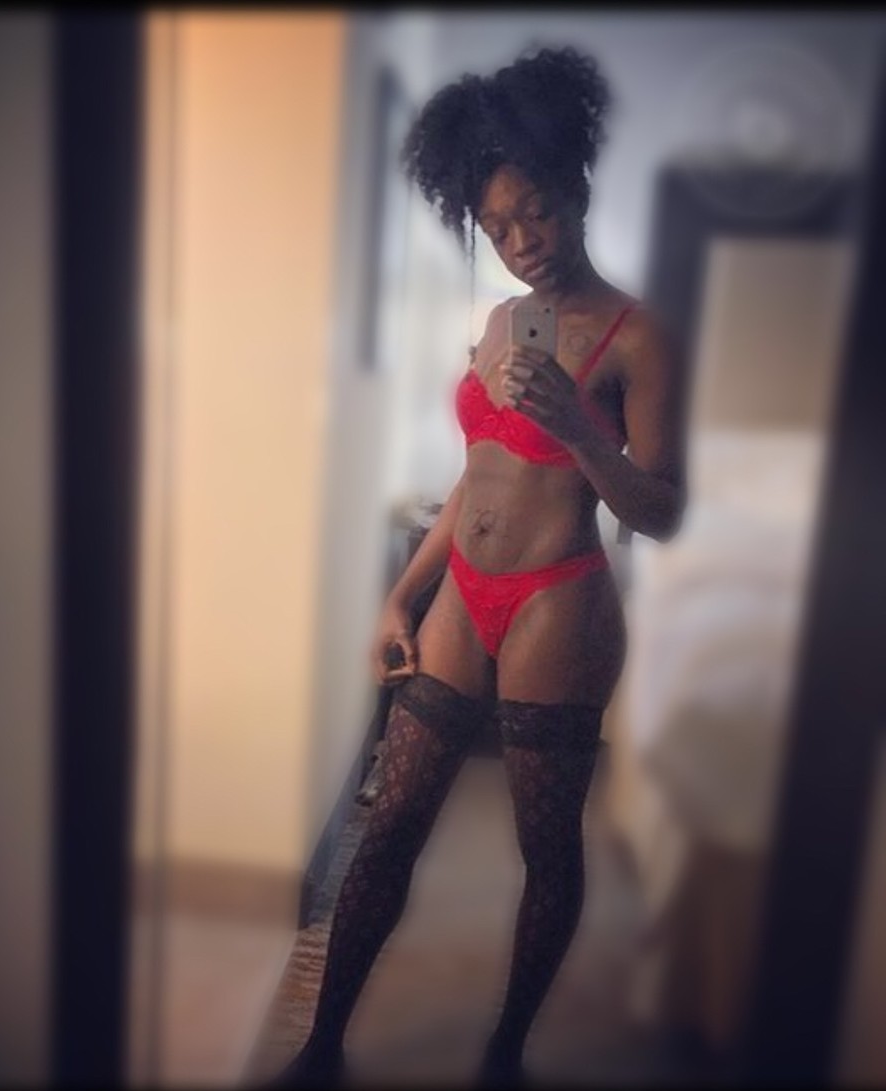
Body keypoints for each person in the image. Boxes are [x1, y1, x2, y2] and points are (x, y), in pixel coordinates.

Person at [261, 43, 686, 1089]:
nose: (521, 242)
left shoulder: (639, 337)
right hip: (463, 591)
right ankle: (321, 1048)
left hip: (559, 600)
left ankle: (504, 1054)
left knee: (547, 846)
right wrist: (401, 596)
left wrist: (581, 429)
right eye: (497, 226)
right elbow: (477, 478)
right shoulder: (501, 322)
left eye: (535, 211)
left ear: (575, 187)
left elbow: (663, 510)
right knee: (389, 825)